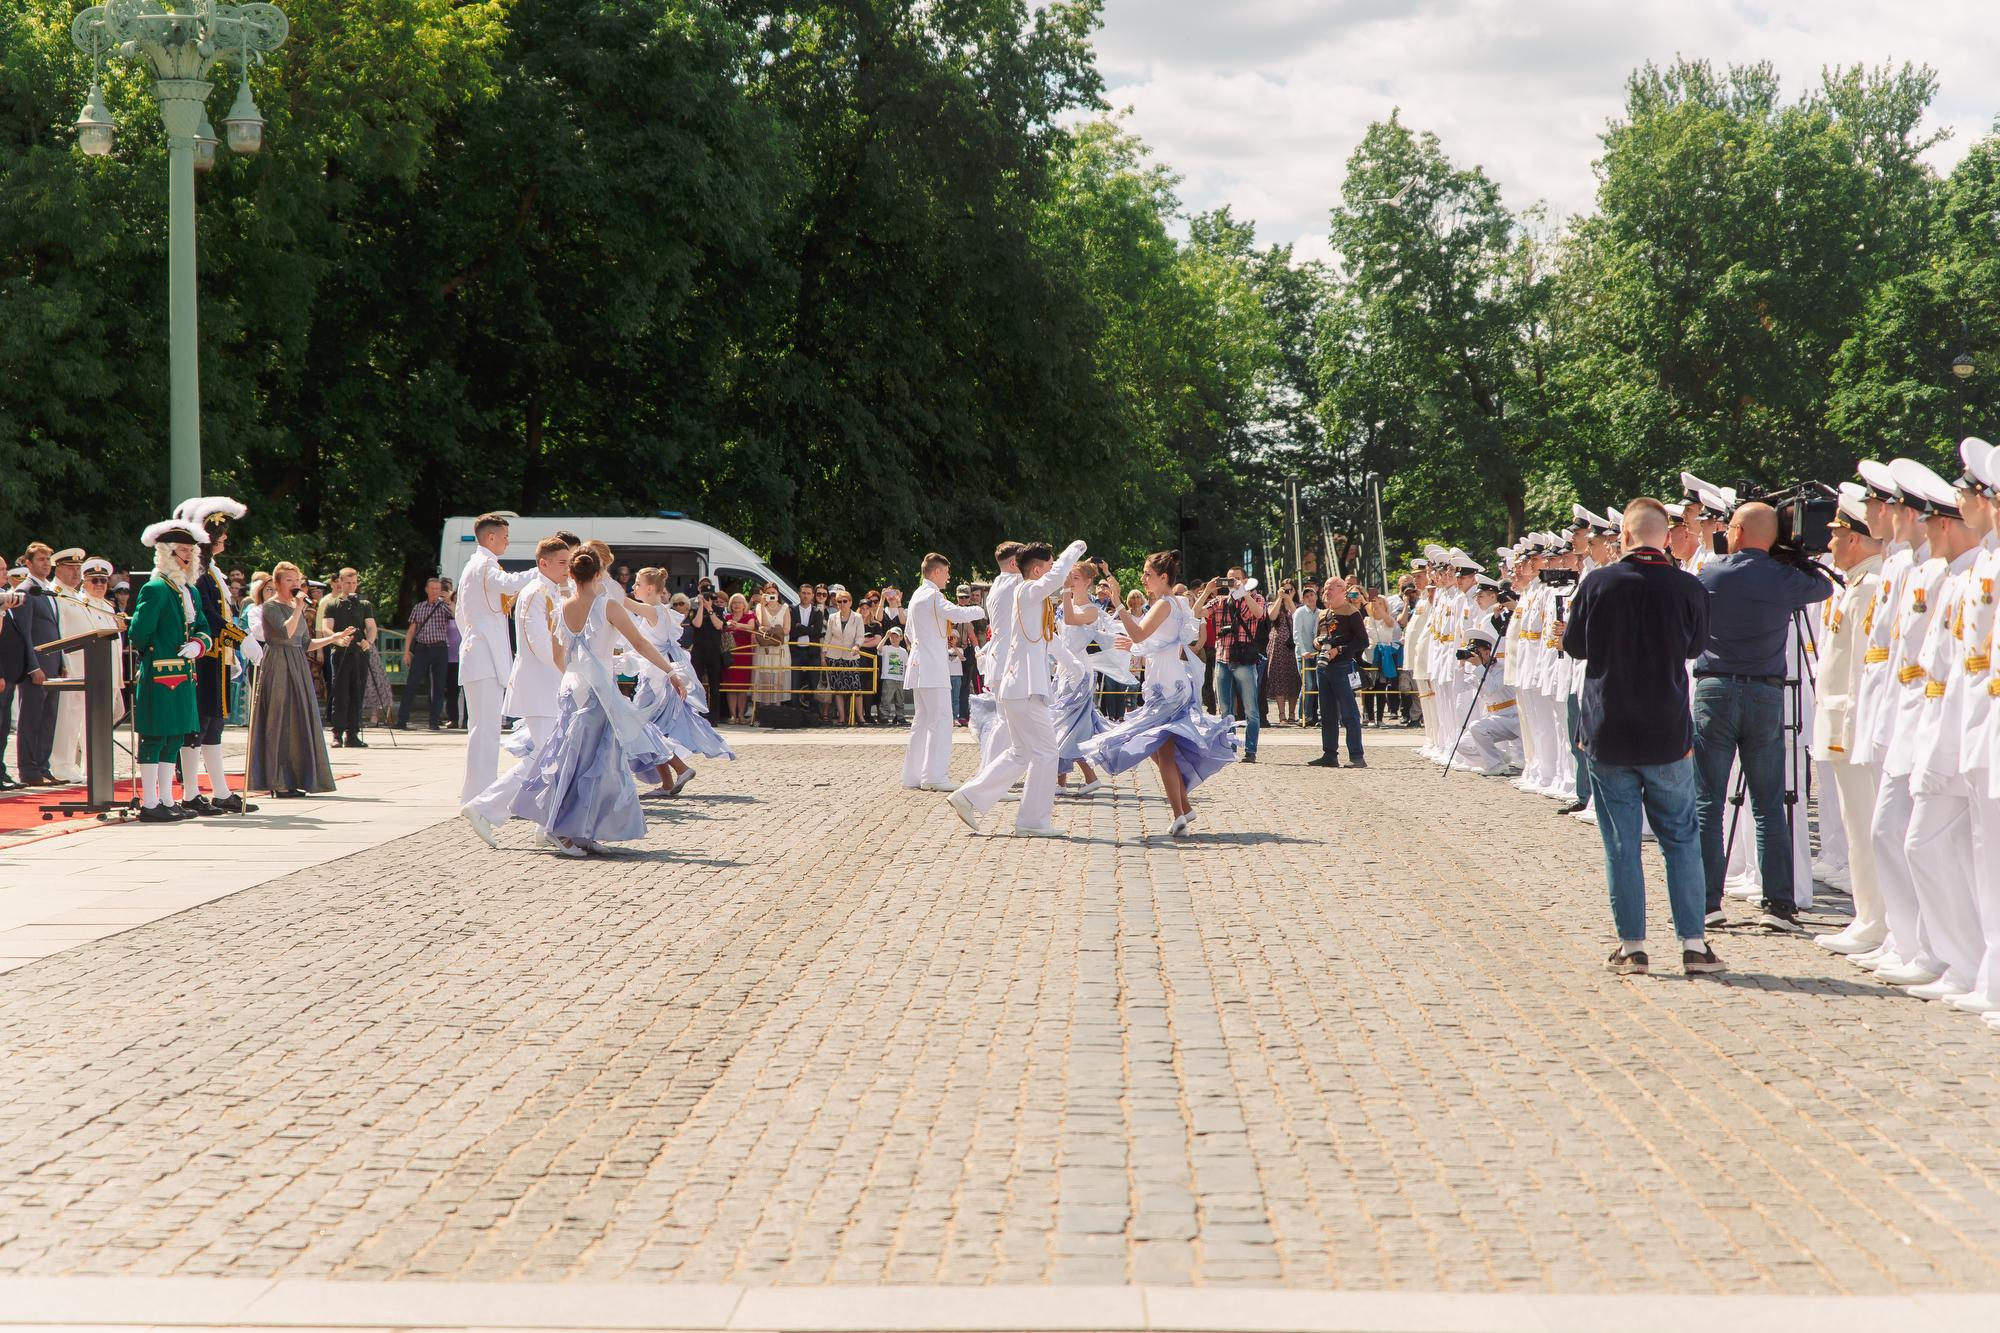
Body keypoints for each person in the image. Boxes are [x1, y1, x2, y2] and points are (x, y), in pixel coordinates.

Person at [1559, 497, 1721, 977]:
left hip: (1609, 727)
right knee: (1680, 839)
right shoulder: (1687, 586)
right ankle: (1693, 943)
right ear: (1666, 538)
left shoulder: (1598, 582)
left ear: (1624, 537)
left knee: (1622, 843)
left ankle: (1632, 947)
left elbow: (1575, 645)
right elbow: (1696, 646)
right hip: (1666, 726)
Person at [462, 547, 683, 856]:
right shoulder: (608, 605)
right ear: (597, 574)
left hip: (573, 686)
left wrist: (574, 677)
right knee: (583, 762)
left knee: (583, 760)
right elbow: (639, 641)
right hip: (594, 690)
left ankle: (580, 829)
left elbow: (557, 654)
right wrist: (671, 670)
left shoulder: (563, 605)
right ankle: (558, 827)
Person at [1691, 499, 1835, 932]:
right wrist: (1789, 556)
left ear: (1735, 530)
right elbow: (1823, 587)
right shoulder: (1784, 578)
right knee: (1769, 804)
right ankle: (1778, 903)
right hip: (1765, 694)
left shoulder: (1711, 572)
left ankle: (1706, 901)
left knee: (1707, 803)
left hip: (1714, 689)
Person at [1074, 551, 1235, 836]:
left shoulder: (1165, 604)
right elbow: (1155, 642)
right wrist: (1134, 647)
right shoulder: (1172, 603)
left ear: (1164, 578)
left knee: (1162, 750)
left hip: (1168, 688)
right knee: (1159, 751)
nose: (1143, 579)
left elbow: (1140, 634)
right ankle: (1183, 807)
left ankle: (1180, 813)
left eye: (1148, 574)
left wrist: (1118, 604)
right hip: (1166, 681)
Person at [949, 539, 1087, 836]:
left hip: (1022, 686)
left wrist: (1074, 665)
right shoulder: (1027, 590)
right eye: (1049, 566)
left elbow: (1048, 639)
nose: (1055, 572)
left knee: (1021, 752)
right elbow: (1053, 579)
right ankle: (1032, 821)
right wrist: (1073, 551)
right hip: (1024, 686)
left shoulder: (1031, 597)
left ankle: (969, 796)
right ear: (1037, 569)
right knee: (1047, 752)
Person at [1810, 490, 1888, 959]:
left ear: (1856, 540)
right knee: (1857, 826)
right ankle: (1868, 916)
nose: (1831, 543)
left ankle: (1874, 920)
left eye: (1837, 535)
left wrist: (1852, 730)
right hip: (1842, 724)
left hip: (1853, 730)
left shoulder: (1871, 586)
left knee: (1865, 828)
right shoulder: (1856, 584)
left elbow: (1864, 671)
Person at [128, 520, 218, 821]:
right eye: (183, 550)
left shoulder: (188, 591)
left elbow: (204, 627)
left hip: (184, 672)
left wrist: (198, 644)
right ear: (168, 553)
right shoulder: (156, 588)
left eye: (191, 550)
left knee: (175, 738)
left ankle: (166, 798)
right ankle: (151, 802)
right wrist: (157, 653)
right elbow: (138, 632)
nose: (189, 556)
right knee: (155, 737)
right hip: (159, 673)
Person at [170, 497, 251, 814]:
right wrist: (240, 637)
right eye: (222, 533)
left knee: (214, 723)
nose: (226, 538)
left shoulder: (211, 569)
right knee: (198, 723)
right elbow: (209, 616)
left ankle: (219, 791)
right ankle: (190, 792)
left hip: (218, 656)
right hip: (205, 654)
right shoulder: (199, 572)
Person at [454, 514, 541, 804]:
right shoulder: (483, 565)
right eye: (504, 536)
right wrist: (541, 570)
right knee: (485, 731)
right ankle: (481, 795)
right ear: (490, 537)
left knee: (484, 729)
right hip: (483, 658)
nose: (507, 541)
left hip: (480, 655)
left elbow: (464, 614)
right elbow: (508, 583)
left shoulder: (477, 565)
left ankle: (477, 793)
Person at [626, 568, 733, 797]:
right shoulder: (662, 611)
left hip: (656, 676)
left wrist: (601, 587)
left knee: (643, 729)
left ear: (650, 589)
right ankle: (667, 782)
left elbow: (623, 603)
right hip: (657, 673)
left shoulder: (652, 610)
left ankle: (680, 769)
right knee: (650, 730)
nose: (633, 588)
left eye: (637, 584)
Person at [248, 561, 349, 798]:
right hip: (279, 662)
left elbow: (304, 643)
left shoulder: (297, 607)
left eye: (297, 580)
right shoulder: (271, 607)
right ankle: (278, 781)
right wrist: (297, 609)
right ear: (277, 583)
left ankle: (294, 777)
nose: (295, 585)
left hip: (297, 662)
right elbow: (286, 632)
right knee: (279, 718)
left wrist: (333, 638)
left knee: (298, 719)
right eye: (289, 580)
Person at [901, 553, 986, 790]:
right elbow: (958, 613)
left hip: (920, 666)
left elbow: (908, 633)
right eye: (947, 572)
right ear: (937, 572)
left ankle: (913, 776)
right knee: (941, 720)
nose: (948, 577)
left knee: (922, 721)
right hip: (931, 667)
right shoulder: (932, 595)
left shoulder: (917, 595)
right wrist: (983, 608)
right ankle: (934, 777)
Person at [13, 542, 62, 786]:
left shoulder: (46, 590)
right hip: (37, 667)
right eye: (40, 559)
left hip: (53, 665)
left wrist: (61, 661)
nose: (46, 564)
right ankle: (29, 769)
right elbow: (24, 634)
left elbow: (55, 630)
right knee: (31, 718)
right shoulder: (26, 591)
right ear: (28, 563)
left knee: (48, 717)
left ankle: (42, 766)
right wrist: (33, 667)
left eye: (48, 559)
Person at [1205, 568, 1264, 762]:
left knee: (1250, 709)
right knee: (1225, 710)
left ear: (1246, 580)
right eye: (1230, 579)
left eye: (1237, 579)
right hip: (1222, 658)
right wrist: (1207, 591)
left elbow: (1259, 613)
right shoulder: (1220, 601)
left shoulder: (1255, 597)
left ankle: (1250, 750)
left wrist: (1244, 592)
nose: (1233, 582)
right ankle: (1228, 749)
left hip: (1245, 661)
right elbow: (1197, 612)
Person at [1309, 577, 1368, 768]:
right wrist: (1316, 643)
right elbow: (1319, 636)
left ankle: (1357, 755)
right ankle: (1329, 753)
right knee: (1326, 712)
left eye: (1331, 588)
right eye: (1325, 588)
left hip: (1341, 666)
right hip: (1323, 665)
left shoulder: (1352, 613)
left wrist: (1340, 650)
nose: (1326, 591)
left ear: (1342, 590)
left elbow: (1362, 641)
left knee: (1349, 711)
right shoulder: (1323, 614)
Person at [321, 568, 379, 749]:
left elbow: (371, 626)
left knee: (357, 693)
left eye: (354, 583)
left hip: (360, 654)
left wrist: (368, 642)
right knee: (340, 693)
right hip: (340, 653)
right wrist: (338, 639)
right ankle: (337, 733)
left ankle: (353, 733)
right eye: (347, 582)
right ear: (340, 582)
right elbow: (326, 628)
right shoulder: (332, 604)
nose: (351, 586)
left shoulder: (364, 604)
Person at [399, 577, 455, 730]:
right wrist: (406, 652)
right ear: (426, 590)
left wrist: (449, 600)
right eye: (432, 589)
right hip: (422, 648)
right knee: (412, 684)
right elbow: (411, 630)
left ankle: (434, 721)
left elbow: (455, 615)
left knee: (438, 686)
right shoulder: (419, 607)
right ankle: (401, 720)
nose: (435, 591)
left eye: (438, 589)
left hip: (439, 649)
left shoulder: (444, 607)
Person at [820, 587, 867, 726]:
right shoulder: (832, 617)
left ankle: (861, 718)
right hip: (834, 656)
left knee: (856, 688)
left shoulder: (857, 617)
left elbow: (860, 636)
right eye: (839, 601)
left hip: (851, 656)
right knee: (838, 688)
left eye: (845, 601)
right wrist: (823, 657)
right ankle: (841, 717)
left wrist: (857, 646)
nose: (842, 604)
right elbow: (827, 637)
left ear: (851, 602)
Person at [684, 579, 729, 712]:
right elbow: (697, 624)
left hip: (714, 650)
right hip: (698, 650)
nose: (707, 598)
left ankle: (714, 715)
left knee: (714, 685)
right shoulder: (695, 610)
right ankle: (696, 712)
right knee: (697, 683)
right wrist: (701, 606)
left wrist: (709, 608)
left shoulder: (718, 610)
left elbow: (719, 625)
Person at [1265, 581, 1302, 726]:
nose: (1287, 591)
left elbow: (1297, 616)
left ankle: (1292, 713)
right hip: (1278, 646)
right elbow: (1272, 617)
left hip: (1295, 646)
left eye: (1290, 589)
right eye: (1284, 589)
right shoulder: (1273, 604)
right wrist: (1280, 599)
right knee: (1279, 678)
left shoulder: (1299, 606)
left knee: (1294, 678)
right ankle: (1282, 715)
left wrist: (1289, 600)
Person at [790, 582, 825, 713]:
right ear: (799, 594)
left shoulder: (817, 612)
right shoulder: (792, 610)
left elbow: (817, 632)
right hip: (796, 652)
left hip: (812, 653)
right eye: (803, 593)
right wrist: (807, 629)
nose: (805, 596)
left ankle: (814, 714)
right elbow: (792, 632)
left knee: (813, 683)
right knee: (794, 683)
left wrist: (800, 627)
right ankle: (795, 713)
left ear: (812, 596)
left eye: (808, 593)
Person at [722, 592, 755, 723]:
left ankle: (741, 715)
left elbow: (751, 627)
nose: (737, 605)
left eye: (739, 602)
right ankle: (732, 715)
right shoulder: (726, 616)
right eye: (734, 602)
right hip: (730, 654)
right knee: (731, 686)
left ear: (744, 605)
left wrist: (737, 625)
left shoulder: (749, 616)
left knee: (742, 687)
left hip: (744, 654)